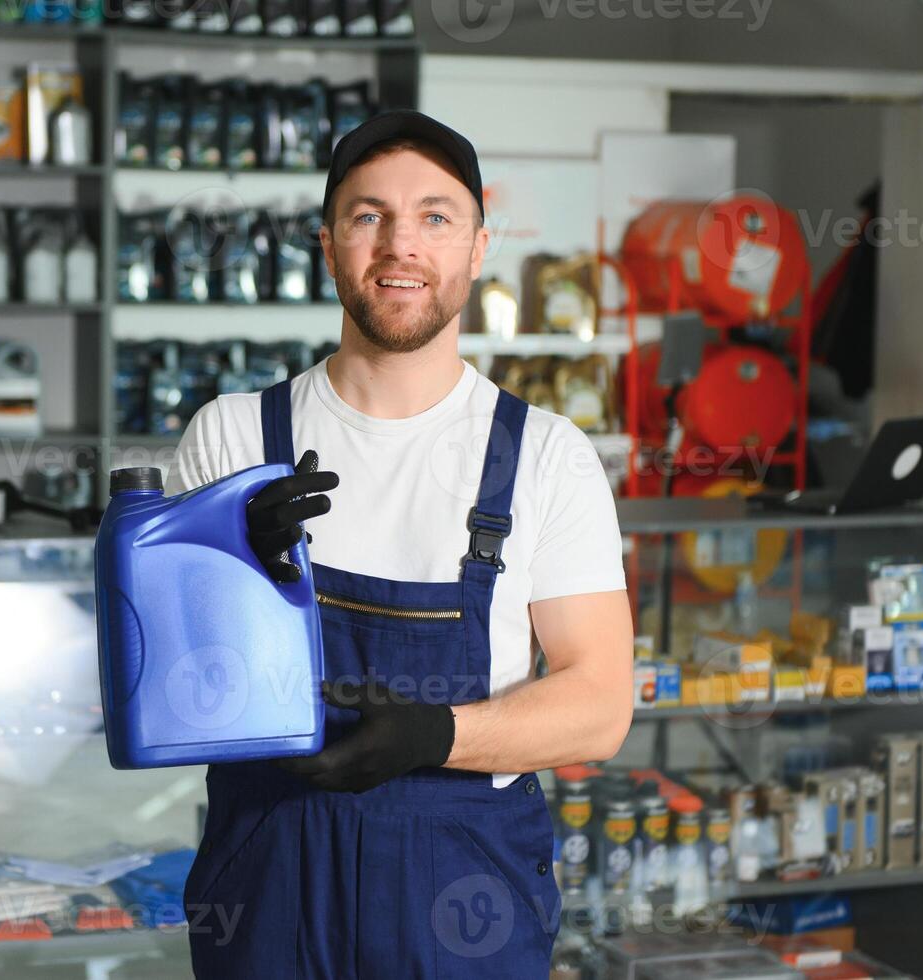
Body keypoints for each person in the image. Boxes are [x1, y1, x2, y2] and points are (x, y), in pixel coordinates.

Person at [164, 109, 634, 979]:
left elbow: (601, 706)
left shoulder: (545, 458)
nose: (399, 245)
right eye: (367, 215)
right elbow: (173, 698)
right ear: (328, 241)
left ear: (477, 246)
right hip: (268, 879)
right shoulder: (230, 438)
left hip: (462, 895)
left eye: (435, 216)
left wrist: (432, 736)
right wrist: (226, 566)